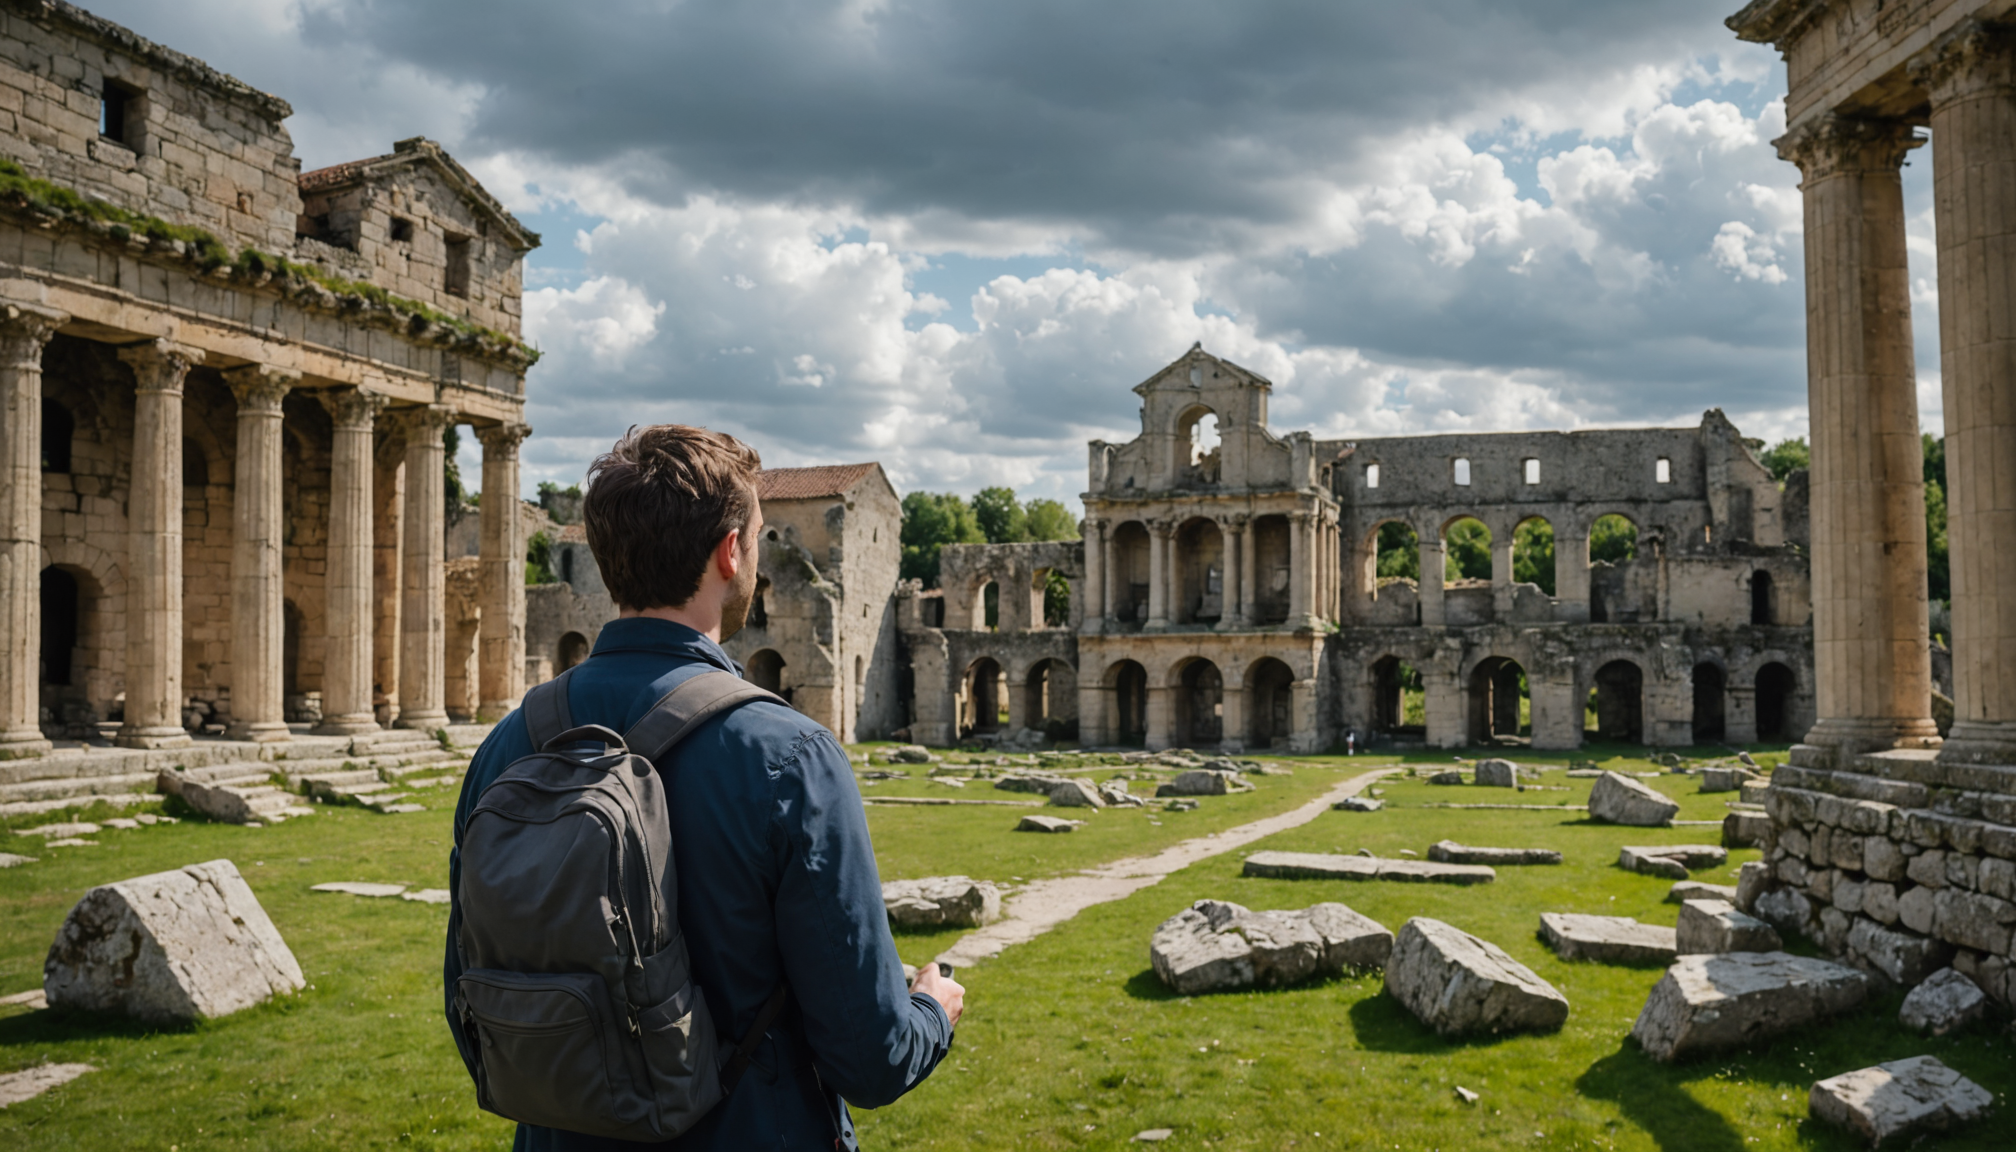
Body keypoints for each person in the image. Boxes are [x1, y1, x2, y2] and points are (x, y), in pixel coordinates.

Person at [444, 424, 962, 1150]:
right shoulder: (790, 755)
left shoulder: (509, 745)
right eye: (759, 534)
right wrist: (932, 1010)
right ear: (731, 552)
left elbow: (468, 1002)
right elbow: (871, 1058)